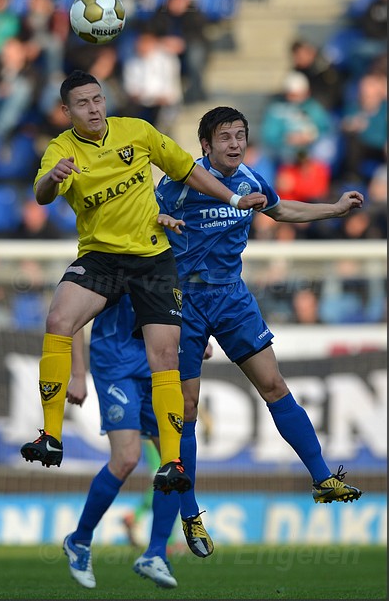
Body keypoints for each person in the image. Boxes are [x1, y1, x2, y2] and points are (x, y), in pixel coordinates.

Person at [19, 71, 267, 498]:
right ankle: (51, 435)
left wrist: (234, 199)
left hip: (152, 257)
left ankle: (171, 462)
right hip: (101, 257)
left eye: (98, 99)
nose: (94, 108)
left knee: (164, 355)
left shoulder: (138, 131)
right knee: (59, 318)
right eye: (83, 103)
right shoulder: (61, 149)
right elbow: (41, 195)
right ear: (67, 111)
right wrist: (52, 178)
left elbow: (187, 170)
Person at [149, 105, 363, 559]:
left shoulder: (250, 179)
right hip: (184, 301)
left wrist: (335, 209)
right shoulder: (178, 185)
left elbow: (280, 210)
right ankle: (190, 514)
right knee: (186, 408)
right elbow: (145, 227)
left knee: (274, 384)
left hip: (231, 298)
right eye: (225, 137)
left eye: (240, 135)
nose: (234, 143)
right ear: (205, 145)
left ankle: (323, 478)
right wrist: (158, 225)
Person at [63, 293, 213, 589]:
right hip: (116, 364)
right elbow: (71, 313)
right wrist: (78, 373)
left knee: (173, 460)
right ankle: (79, 540)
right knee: (127, 458)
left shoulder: (166, 255)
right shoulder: (108, 253)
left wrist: (194, 337)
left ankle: (156, 552)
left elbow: (177, 301)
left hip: (159, 363)